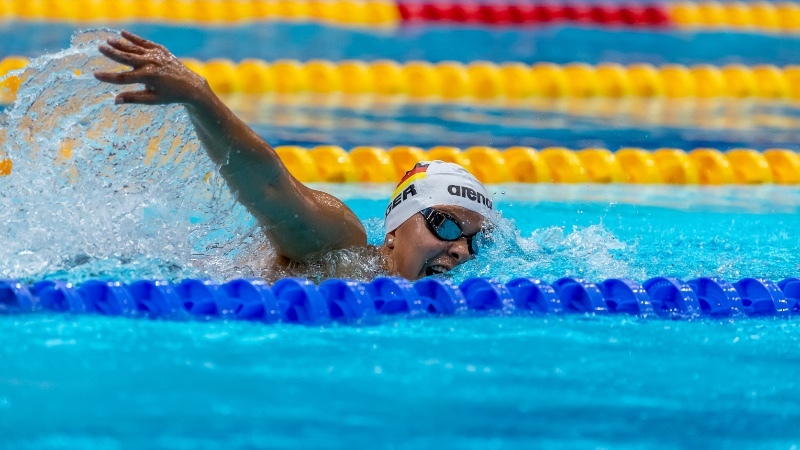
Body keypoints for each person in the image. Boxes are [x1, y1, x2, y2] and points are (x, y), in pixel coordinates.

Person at [94, 31, 494, 281]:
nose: (461, 250)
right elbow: (270, 189)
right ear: (392, 234)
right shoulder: (340, 248)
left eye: (474, 241)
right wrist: (199, 98)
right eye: (445, 225)